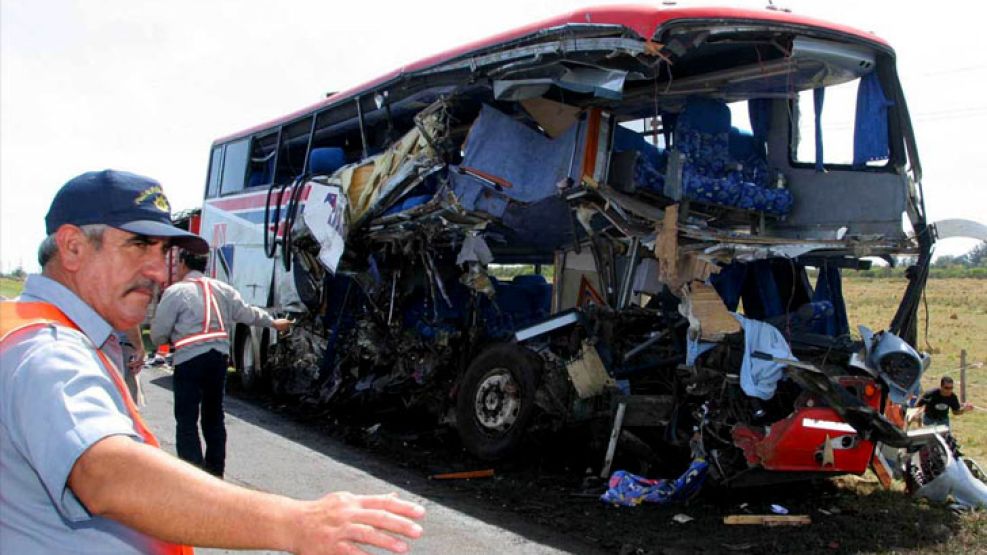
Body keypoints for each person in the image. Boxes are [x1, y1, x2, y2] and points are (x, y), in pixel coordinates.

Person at [1, 169, 424, 554]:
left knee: (195, 422)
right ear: (73, 247)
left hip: (189, 359)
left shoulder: (39, 329)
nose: (157, 270)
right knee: (206, 422)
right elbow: (107, 474)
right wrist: (295, 523)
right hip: (215, 360)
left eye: (163, 250)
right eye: (139, 245)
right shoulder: (49, 351)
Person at [150, 249, 290, 478]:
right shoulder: (223, 289)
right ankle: (215, 473)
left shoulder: (175, 292)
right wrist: (273, 323)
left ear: (184, 263)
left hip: (189, 360)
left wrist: (163, 340)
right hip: (218, 359)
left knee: (186, 419)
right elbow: (248, 313)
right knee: (214, 417)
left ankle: (193, 475)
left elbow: (158, 333)